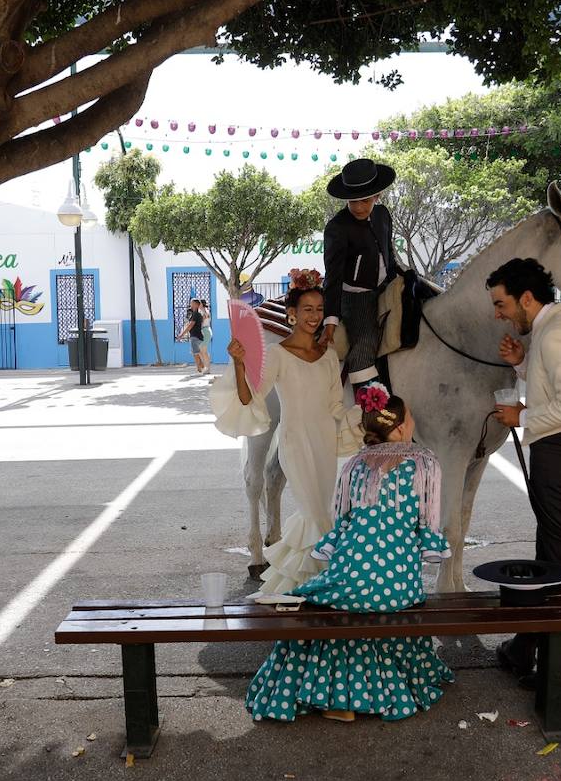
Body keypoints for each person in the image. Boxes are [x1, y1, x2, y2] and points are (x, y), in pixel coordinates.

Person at [245, 395, 454, 723]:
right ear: (398, 430)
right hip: (399, 589)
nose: (414, 422)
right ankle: (359, 694)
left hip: (350, 579)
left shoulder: (355, 467)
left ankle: (332, 695)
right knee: (367, 601)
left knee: (314, 599)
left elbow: (342, 526)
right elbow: (428, 529)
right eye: (409, 417)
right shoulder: (425, 465)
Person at [487, 258, 561, 690]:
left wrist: (522, 416)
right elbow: (554, 384)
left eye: (501, 304)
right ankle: (529, 644)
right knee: (552, 550)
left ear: (525, 297)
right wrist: (523, 364)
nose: (498, 313)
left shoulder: (555, 334)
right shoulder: (555, 325)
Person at [212, 283, 364, 594]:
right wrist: (240, 364)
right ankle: (307, 588)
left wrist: (363, 414)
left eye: (320, 310)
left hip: (325, 443)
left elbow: (336, 405)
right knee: (314, 515)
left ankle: (317, 591)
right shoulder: (278, 355)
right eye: (308, 309)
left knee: (326, 511)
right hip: (295, 443)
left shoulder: (330, 355)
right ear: (291, 314)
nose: (315, 316)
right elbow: (249, 399)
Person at [320, 158, 399, 392]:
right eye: (352, 201)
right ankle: (368, 407)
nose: (358, 207)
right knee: (365, 345)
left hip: (388, 285)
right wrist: (331, 320)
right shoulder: (337, 228)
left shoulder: (383, 215)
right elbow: (332, 276)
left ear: (377, 196)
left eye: (364, 200)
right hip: (356, 298)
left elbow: (388, 252)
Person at [177, 299, 209, 375]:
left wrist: (181, 334)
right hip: (198, 336)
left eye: (192, 303)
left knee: (196, 354)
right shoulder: (198, 314)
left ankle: (200, 370)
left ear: (196, 305)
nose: (190, 305)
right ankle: (202, 369)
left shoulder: (195, 314)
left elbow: (190, 325)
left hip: (195, 336)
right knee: (197, 353)